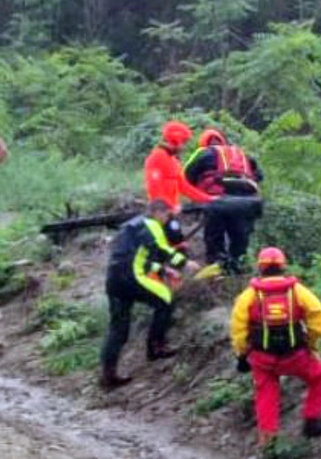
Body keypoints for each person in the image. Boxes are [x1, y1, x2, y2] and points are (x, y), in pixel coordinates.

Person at [230, 247, 321, 459]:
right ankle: (312, 422)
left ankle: (268, 444)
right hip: (296, 356)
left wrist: (242, 355)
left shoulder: (248, 296)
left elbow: (238, 331)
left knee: (266, 396)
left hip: (262, 359)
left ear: (260, 267)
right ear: (282, 265)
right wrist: (311, 344)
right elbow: (320, 322)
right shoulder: (298, 291)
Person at [100, 199, 190, 389]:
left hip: (114, 280)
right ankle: (156, 347)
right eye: (167, 215)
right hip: (130, 277)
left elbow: (137, 258)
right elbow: (161, 250)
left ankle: (108, 375)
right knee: (166, 299)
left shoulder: (129, 227)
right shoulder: (152, 225)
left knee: (118, 329)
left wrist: (164, 271)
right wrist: (184, 262)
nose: (167, 220)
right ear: (158, 212)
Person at [184, 127, 264, 274]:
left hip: (217, 202)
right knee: (239, 240)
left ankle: (217, 269)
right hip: (248, 203)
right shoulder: (242, 154)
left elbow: (187, 174)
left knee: (214, 239)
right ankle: (238, 268)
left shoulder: (203, 153)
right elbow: (259, 176)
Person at [145, 120, 214, 214]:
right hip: (161, 214)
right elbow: (154, 187)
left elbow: (184, 186)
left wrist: (208, 198)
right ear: (176, 140)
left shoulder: (173, 160)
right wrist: (167, 209)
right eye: (184, 142)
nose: (184, 146)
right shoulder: (157, 157)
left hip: (170, 212)